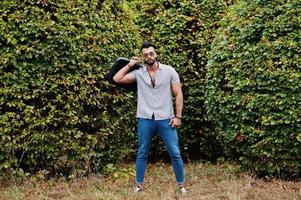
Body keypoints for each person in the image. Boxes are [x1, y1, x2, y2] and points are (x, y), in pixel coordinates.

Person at [113, 41, 186, 193]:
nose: (149, 56)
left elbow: (178, 93)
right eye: (145, 54)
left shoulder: (169, 71)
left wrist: (178, 117)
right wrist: (130, 65)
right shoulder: (139, 73)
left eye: (151, 53)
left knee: (175, 152)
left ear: (156, 54)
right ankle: (138, 185)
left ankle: (181, 185)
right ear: (142, 57)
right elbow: (117, 79)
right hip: (145, 118)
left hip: (166, 118)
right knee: (142, 152)